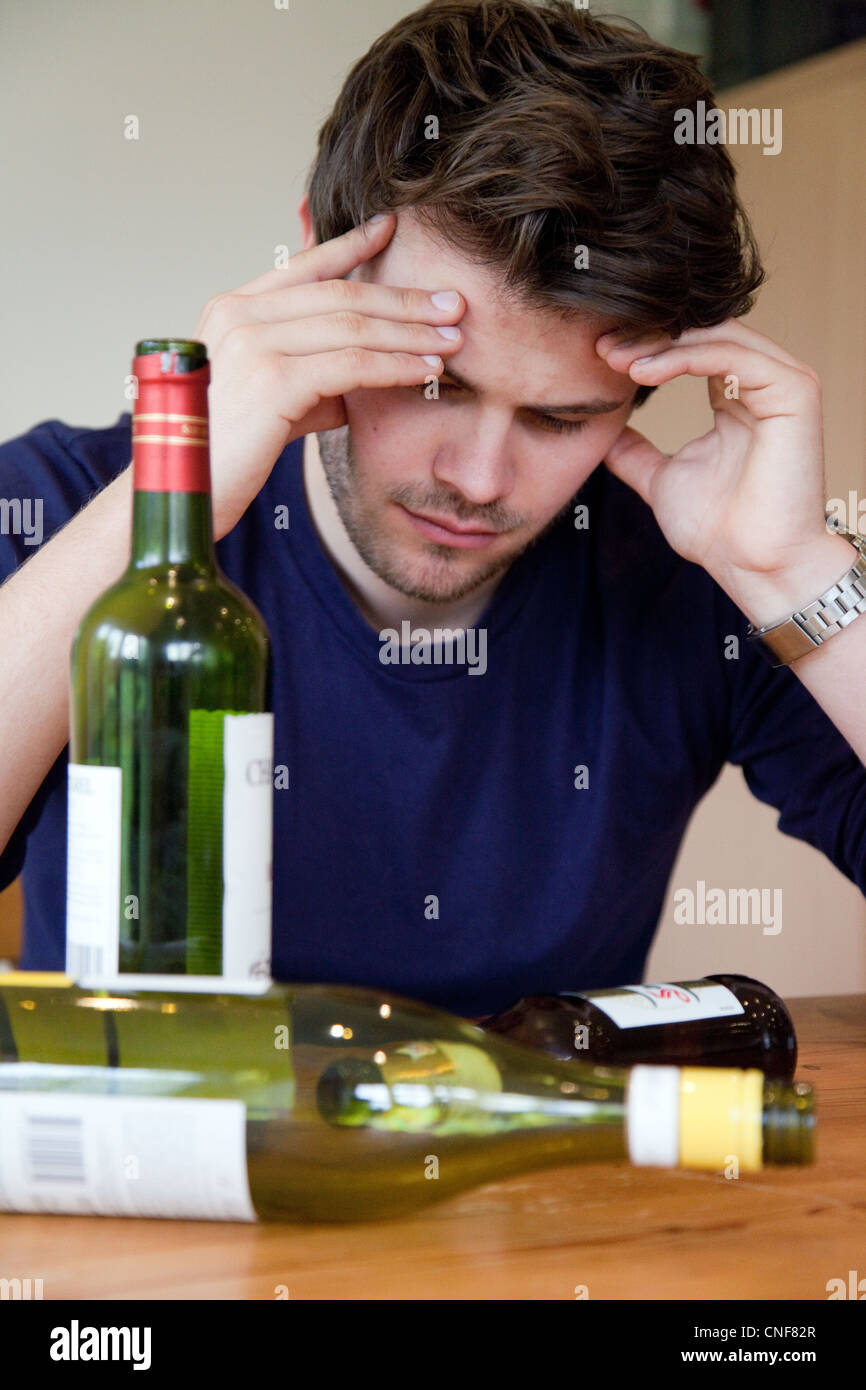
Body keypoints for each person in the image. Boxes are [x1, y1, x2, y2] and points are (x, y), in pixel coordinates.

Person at [1, 1, 864, 1018]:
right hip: (151, 1159)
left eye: (560, 417)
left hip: (546, 1172)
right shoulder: (64, 500)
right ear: (321, 261)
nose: (480, 478)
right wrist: (170, 498)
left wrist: (797, 572)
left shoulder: (696, 579)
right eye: (435, 386)